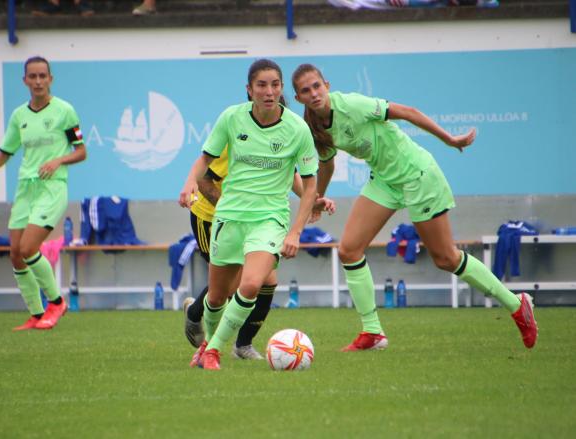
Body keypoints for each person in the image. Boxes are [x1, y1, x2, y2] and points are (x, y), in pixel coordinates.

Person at [291, 63, 537, 351]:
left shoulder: (353, 105)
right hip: (384, 180)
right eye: (306, 91)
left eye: (317, 86)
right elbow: (327, 163)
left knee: (446, 258)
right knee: (348, 249)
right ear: (298, 98)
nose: (314, 93)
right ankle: (373, 333)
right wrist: (319, 197)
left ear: (327, 85)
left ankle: (516, 305)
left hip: (416, 174)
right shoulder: (314, 125)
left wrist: (449, 139)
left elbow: (409, 112)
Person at [179, 59, 319, 370]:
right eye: (262, 85)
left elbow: (309, 183)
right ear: (249, 90)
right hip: (229, 216)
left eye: (275, 85)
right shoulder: (231, 118)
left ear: (281, 89)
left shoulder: (297, 129)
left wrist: (296, 230)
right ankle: (208, 344)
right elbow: (205, 160)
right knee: (216, 298)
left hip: (270, 220)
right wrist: (189, 184)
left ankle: (214, 350)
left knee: (253, 284)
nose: (269, 92)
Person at [183, 147, 335, 360]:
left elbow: (290, 174)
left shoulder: (281, 135)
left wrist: (312, 201)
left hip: (253, 219)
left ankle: (243, 345)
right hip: (210, 218)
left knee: (265, 281)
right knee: (230, 285)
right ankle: (195, 314)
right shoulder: (237, 135)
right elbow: (204, 180)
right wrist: (231, 210)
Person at [0, 56, 87, 331]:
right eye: (32, 77)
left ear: (51, 79)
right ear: (25, 80)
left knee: (28, 248)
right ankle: (37, 314)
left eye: (42, 76)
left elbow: (81, 151)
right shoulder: (19, 116)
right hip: (25, 188)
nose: (38, 81)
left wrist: (58, 160)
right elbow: (6, 151)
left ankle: (57, 302)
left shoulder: (65, 111)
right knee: (15, 253)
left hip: (52, 187)